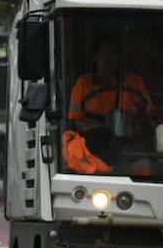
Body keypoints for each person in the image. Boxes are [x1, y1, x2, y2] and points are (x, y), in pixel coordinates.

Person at [63, 35, 154, 173]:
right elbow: (76, 121)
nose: (111, 59)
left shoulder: (135, 82)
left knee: (145, 165)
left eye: (114, 55)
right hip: (95, 144)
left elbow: (150, 113)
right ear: (95, 57)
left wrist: (140, 113)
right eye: (106, 54)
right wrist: (97, 129)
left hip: (130, 142)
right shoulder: (82, 84)